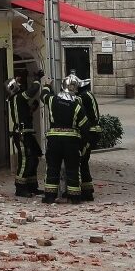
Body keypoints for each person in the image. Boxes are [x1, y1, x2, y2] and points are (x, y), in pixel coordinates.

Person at [40, 74, 90, 204]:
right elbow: (84, 126)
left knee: (52, 167)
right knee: (72, 168)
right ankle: (74, 197)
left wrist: (46, 85)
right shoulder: (77, 105)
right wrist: (84, 144)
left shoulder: (53, 100)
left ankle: (50, 196)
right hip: (71, 142)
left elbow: (43, 96)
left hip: (54, 140)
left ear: (63, 85)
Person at [5, 78, 41, 198]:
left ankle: (32, 186)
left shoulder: (17, 100)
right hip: (22, 134)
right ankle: (20, 188)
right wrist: (37, 79)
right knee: (25, 160)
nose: (20, 86)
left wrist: (31, 110)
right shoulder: (19, 97)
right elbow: (33, 90)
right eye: (18, 84)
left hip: (26, 133)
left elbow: (25, 113)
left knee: (34, 159)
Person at [75, 77, 101, 202]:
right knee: (84, 162)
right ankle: (87, 191)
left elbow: (72, 104)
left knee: (79, 160)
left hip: (89, 132)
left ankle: (80, 191)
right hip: (93, 132)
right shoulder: (88, 94)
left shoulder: (82, 97)